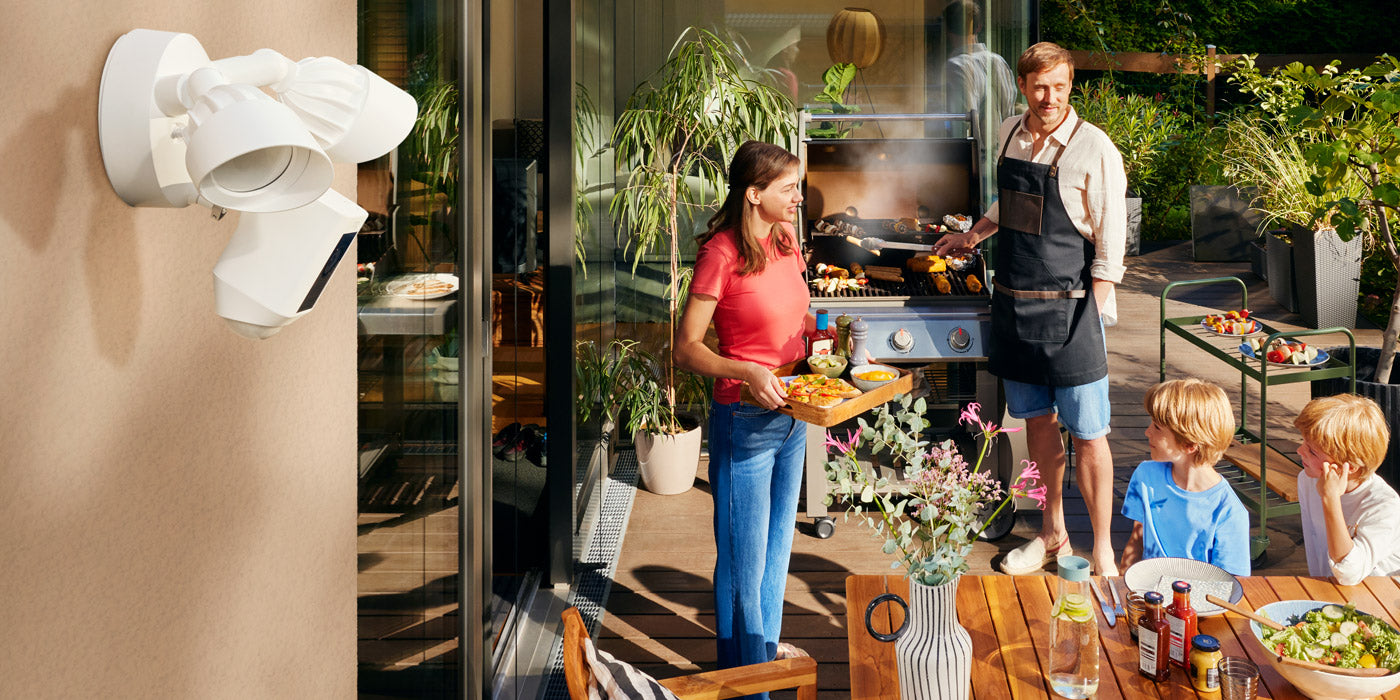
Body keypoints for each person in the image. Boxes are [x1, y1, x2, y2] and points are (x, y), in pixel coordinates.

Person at [932, 41, 1128, 576]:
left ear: (1071, 86)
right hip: (1016, 306)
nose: (1051, 97)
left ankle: (1104, 551)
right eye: (1040, 86)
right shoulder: (1010, 134)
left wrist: (1098, 309)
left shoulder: (1094, 148)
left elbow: (1112, 241)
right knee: (1037, 425)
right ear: (1023, 85)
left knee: (1089, 433)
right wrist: (974, 234)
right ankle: (1052, 534)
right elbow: (1012, 206)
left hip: (1074, 310)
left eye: (1061, 86)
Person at [674, 140, 813, 691]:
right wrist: (749, 371)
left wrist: (833, 338)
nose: (799, 198)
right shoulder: (721, 254)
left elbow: (801, 317)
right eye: (788, 189)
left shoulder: (784, 239)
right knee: (742, 562)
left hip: (796, 413)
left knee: (776, 551)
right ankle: (746, 684)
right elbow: (686, 348)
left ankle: (754, 668)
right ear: (754, 194)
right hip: (745, 420)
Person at [1119, 379, 1251, 576]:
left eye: (1157, 427)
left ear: (1189, 444)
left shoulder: (1229, 513)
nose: (1147, 432)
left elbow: (1230, 584)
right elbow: (1136, 542)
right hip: (1147, 597)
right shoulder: (1145, 476)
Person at [1294, 394, 1400, 586]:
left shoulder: (1384, 506)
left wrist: (1331, 499)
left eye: (1312, 451)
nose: (1299, 451)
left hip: (1381, 597)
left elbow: (1348, 574)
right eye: (1303, 443)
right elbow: (1316, 549)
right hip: (1332, 590)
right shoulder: (1308, 481)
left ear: (1349, 468)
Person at [942, 0, 1019, 184]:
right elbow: (1009, 112)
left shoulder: (955, 66)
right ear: (978, 27)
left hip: (976, 165)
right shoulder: (999, 61)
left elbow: (965, 121)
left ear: (947, 30)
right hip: (1003, 159)